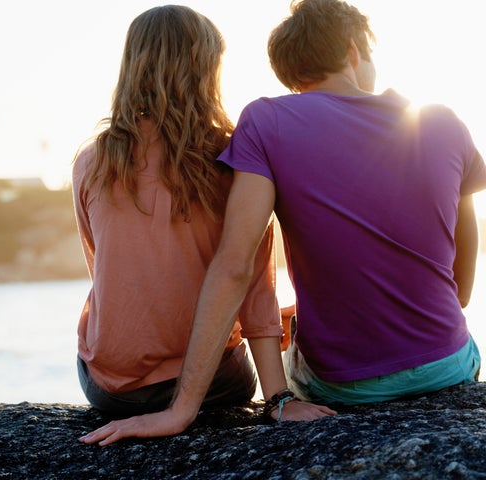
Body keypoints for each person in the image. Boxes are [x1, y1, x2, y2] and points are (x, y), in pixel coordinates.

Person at [80, 0, 486, 446]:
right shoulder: (440, 119)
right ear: (355, 49)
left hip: (118, 385)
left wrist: (184, 408)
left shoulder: (94, 162)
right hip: (445, 365)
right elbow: (461, 290)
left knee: (291, 330)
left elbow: (134, 269)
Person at [71, 5, 285, 418]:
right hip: (214, 385)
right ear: (207, 70)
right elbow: (253, 285)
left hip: (111, 389)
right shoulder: (237, 160)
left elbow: (106, 270)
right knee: (282, 331)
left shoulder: (92, 161)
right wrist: (278, 399)